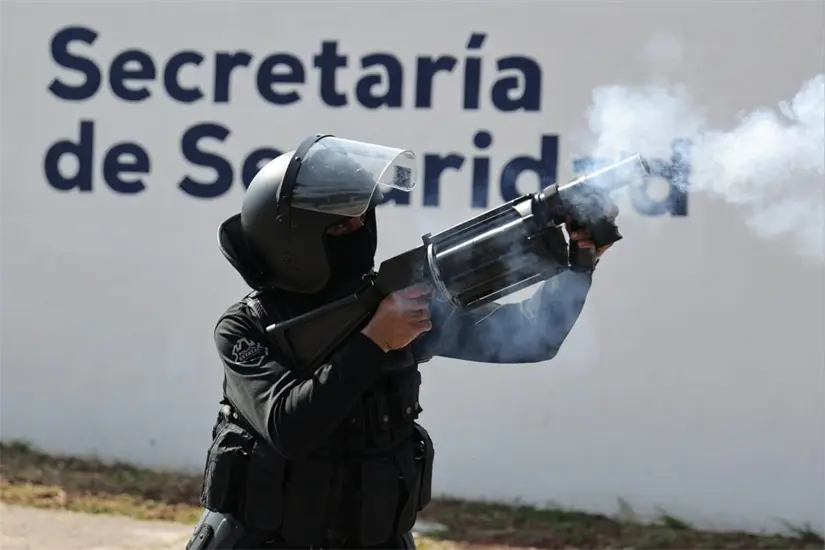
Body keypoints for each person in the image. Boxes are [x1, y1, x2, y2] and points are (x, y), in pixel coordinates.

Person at [186, 134, 619, 550]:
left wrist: (578, 265)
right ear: (294, 242)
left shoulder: (394, 305)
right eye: (341, 227)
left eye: (363, 217)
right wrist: (374, 342)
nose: (359, 229)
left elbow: (533, 338)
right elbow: (289, 428)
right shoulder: (247, 327)